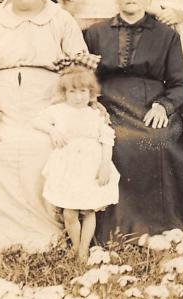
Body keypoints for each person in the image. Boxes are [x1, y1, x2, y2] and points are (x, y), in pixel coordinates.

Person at [0, 0, 88, 258]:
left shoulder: (60, 18)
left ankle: (45, 233)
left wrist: (63, 102)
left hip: (47, 100)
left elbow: (78, 70)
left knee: (42, 147)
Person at [84, 0, 183, 240]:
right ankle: (117, 228)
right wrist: (93, 103)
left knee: (159, 140)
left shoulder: (166, 35)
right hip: (109, 106)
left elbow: (180, 84)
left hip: (152, 106)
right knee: (116, 142)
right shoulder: (96, 33)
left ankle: (160, 224)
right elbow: (87, 79)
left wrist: (164, 106)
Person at [33, 59, 119, 262]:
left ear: (91, 93)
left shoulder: (96, 114)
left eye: (83, 92)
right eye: (72, 92)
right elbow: (37, 120)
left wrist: (105, 164)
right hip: (68, 165)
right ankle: (75, 244)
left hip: (90, 165)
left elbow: (107, 139)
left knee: (88, 210)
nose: (78, 97)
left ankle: (83, 250)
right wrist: (52, 130)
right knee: (69, 211)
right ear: (64, 93)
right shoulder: (59, 111)